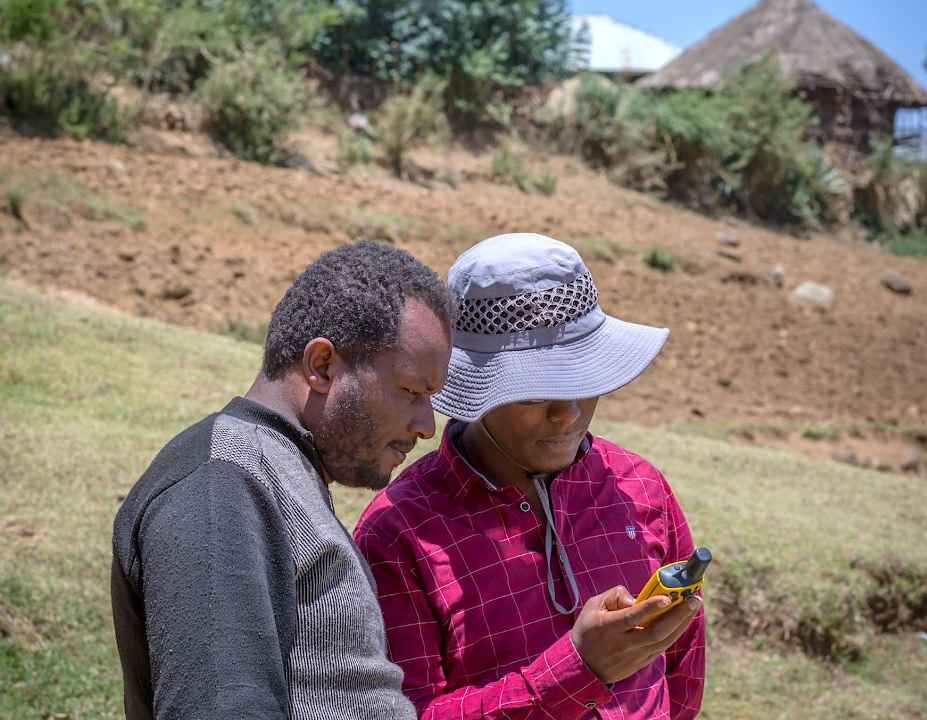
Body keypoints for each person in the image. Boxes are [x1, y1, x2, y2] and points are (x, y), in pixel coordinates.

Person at [354, 233, 705, 720]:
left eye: (586, 381)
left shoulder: (639, 486)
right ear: (477, 388)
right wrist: (580, 669)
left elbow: (681, 678)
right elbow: (403, 713)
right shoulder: (399, 536)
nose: (568, 413)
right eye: (536, 391)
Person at [111, 240, 455, 720]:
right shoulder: (219, 486)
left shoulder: (276, 473)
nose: (426, 425)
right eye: (411, 392)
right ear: (321, 367)